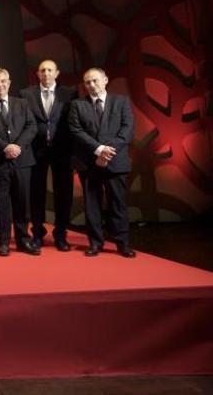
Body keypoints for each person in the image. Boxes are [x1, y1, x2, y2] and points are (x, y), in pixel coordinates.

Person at [68, 68, 136, 258]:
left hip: (116, 161)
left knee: (118, 204)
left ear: (105, 80)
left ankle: (122, 244)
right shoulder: (77, 105)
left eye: (95, 81)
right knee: (92, 205)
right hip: (88, 163)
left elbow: (127, 130)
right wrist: (98, 150)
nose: (91, 85)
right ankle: (95, 243)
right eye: (87, 82)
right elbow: (75, 130)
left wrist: (107, 152)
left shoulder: (121, 102)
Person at [0, 69, 39, 257]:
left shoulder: (22, 103)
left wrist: (17, 146)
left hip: (22, 160)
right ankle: (3, 241)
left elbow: (31, 126)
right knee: (0, 204)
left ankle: (23, 240)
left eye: (3, 81)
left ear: (9, 83)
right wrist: (5, 147)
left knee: (22, 202)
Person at [20, 59, 79, 251]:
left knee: (64, 193)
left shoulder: (69, 93)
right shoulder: (25, 94)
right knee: (36, 193)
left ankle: (61, 234)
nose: (46, 73)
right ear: (37, 74)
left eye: (49, 70)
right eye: (42, 70)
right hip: (35, 151)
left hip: (62, 151)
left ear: (57, 73)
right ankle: (38, 233)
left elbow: (73, 122)